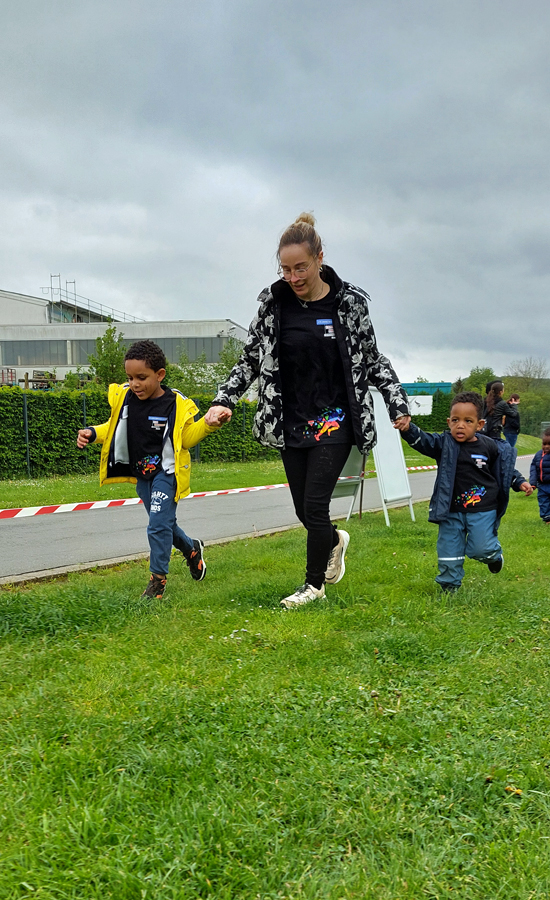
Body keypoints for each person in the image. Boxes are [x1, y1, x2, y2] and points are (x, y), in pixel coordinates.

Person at [206, 212, 410, 608]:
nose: (294, 277)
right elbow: (249, 360)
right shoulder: (273, 305)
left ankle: (312, 587)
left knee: (316, 504)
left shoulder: (349, 304)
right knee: (303, 508)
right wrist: (223, 400)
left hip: (335, 419)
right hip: (290, 420)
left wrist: (396, 403)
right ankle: (333, 539)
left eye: (301, 267)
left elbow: (372, 359)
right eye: (286, 269)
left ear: (320, 257)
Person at [77, 340, 223, 599]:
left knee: (157, 524)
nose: (134, 384)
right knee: (163, 523)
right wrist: (91, 433)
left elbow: (187, 438)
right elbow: (112, 428)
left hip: (166, 474)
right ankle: (192, 550)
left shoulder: (175, 404)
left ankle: (157, 581)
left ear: (160, 375)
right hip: (142, 475)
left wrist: (208, 424)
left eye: (141, 377)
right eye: (130, 377)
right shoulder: (126, 398)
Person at [395, 391, 533, 592]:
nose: (461, 425)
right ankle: (449, 586)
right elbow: (423, 440)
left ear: (479, 425)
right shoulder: (443, 444)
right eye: (455, 420)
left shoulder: (489, 446)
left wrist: (519, 482)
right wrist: (408, 429)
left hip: (483, 509)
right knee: (448, 550)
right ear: (449, 421)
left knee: (480, 548)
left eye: (468, 421)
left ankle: (493, 556)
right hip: (450, 510)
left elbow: (503, 469)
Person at [529, 427, 550, 524]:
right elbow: (534, 469)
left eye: (549, 444)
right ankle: (547, 518)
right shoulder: (538, 455)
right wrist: (533, 483)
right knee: (543, 502)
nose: (546, 446)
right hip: (542, 485)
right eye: (544, 444)